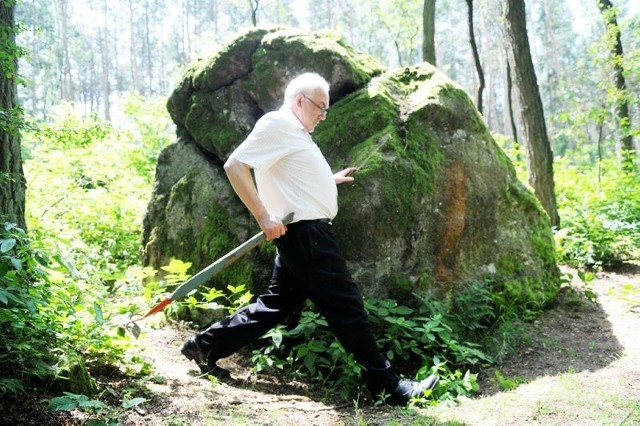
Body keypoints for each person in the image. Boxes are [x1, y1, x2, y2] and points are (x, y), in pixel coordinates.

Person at [181, 72, 438, 405]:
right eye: (321, 107)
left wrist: (327, 180)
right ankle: (388, 385)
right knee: (346, 304)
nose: (323, 115)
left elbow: (290, 175)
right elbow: (235, 165)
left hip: (301, 232)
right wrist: (263, 215)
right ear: (300, 100)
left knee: (276, 304)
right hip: (306, 233)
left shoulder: (296, 132)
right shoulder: (278, 124)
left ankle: (205, 345)